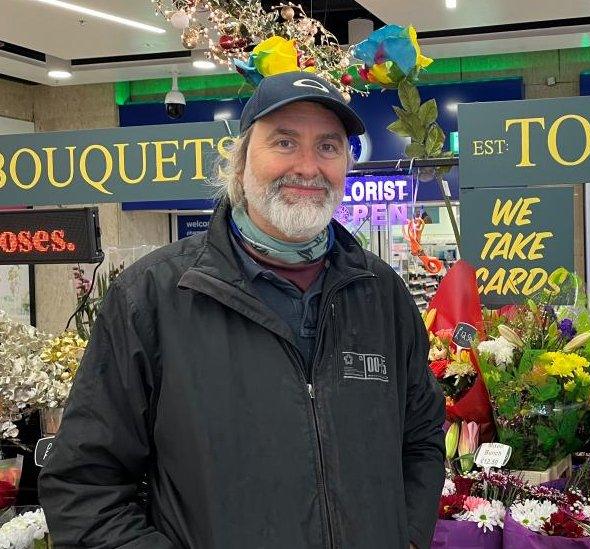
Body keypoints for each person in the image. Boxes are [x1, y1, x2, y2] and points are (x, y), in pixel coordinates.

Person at [39, 71, 446, 549]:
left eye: (329, 147)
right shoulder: (152, 296)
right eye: (285, 142)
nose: (309, 167)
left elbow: (420, 441)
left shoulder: (382, 294)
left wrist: (409, 537)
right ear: (240, 161)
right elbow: (84, 487)